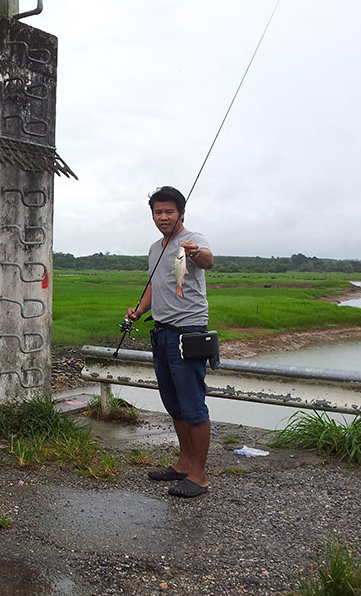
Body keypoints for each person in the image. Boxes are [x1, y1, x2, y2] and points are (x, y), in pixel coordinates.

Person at [126, 186, 214, 498]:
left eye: (169, 211)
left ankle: (200, 476)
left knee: (192, 404)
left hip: (187, 331)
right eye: (158, 212)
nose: (163, 217)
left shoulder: (192, 240)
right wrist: (139, 310)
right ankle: (184, 463)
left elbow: (207, 260)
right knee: (173, 403)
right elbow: (154, 285)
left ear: (181, 213)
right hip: (161, 331)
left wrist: (194, 252)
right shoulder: (155, 248)